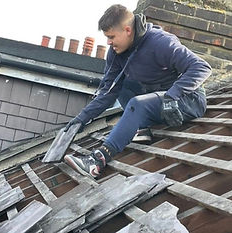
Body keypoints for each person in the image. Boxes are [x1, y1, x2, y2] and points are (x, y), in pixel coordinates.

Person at [63, 4, 211, 178]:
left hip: (186, 99)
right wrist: (82, 119)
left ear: (127, 30)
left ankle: (97, 161)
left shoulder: (160, 42)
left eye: (111, 37)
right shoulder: (116, 53)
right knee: (123, 84)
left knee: (137, 105)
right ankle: (141, 129)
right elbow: (107, 91)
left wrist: (172, 96)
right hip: (158, 98)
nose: (108, 43)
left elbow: (202, 67)